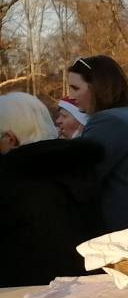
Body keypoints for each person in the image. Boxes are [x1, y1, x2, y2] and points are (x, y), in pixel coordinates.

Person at [0, 92, 106, 286]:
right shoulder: (79, 166)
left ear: (10, 139)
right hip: (86, 286)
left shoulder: (10, 179)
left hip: (22, 294)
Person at [64, 55, 128, 231]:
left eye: (76, 88)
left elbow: (80, 175)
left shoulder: (110, 121)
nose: (71, 96)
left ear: (97, 87)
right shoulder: (127, 116)